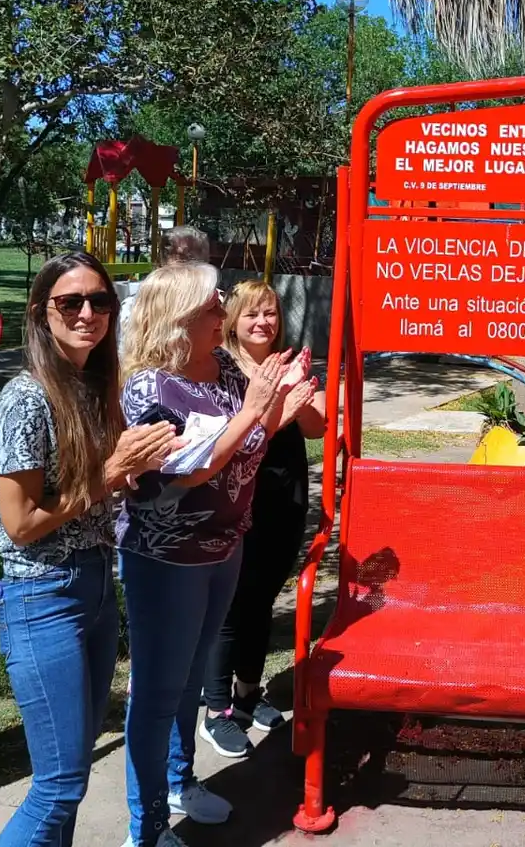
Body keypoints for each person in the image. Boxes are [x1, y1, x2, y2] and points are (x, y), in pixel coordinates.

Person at [118, 264, 316, 847]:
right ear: (180, 319)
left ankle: (180, 782)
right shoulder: (149, 388)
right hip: (168, 557)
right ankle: (145, 828)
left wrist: (279, 410)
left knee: (185, 685)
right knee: (157, 692)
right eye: (213, 304)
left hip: (223, 546)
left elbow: (245, 449)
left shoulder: (227, 369)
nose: (223, 311)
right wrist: (258, 409)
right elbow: (193, 468)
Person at [0, 252, 180, 847]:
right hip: (42, 595)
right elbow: (19, 524)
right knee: (60, 785)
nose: (87, 313)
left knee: (69, 785)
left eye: (99, 301)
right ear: (42, 313)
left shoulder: (95, 389)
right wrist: (110, 472)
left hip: (95, 586)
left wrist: (145, 461)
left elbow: (101, 489)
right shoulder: (26, 398)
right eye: (69, 302)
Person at [200, 280, 326, 757]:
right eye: (252, 313)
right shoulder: (223, 367)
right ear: (234, 318)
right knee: (232, 601)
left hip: (284, 491)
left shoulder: (287, 364)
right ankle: (216, 710)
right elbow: (239, 434)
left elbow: (316, 427)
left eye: (270, 313)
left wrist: (301, 386)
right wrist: (280, 406)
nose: (263, 322)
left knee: (263, 595)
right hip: (240, 490)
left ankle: (248, 692)